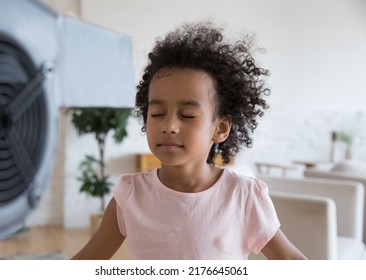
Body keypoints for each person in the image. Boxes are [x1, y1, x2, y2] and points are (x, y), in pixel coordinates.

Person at [72, 21, 306, 260]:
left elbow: (291, 261)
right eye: (157, 114)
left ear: (221, 128)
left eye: (188, 116)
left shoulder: (243, 196)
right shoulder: (130, 195)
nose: (169, 126)